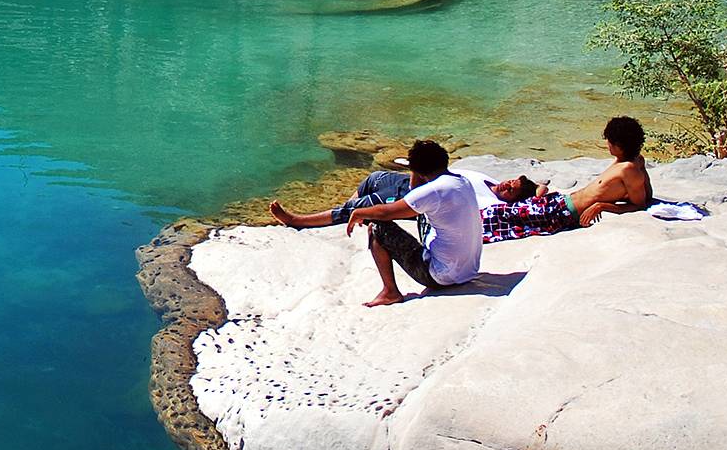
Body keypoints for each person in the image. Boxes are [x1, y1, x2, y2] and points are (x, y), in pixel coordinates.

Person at [344, 139, 484, 308]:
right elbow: (415, 193)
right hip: (468, 271)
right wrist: (416, 169)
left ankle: (390, 292)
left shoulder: (433, 191)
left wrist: (359, 212)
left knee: (377, 226)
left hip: (440, 276)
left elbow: (387, 212)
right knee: (425, 212)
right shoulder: (462, 181)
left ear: (416, 169)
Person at [480, 116, 653, 243]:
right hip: (559, 202)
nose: (607, 145)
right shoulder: (628, 161)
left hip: (561, 215)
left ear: (619, 146)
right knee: (503, 211)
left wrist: (601, 206)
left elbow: (641, 203)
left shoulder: (629, 169)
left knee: (500, 217)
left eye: (610, 142)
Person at [269, 166, 536, 229]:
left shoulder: (494, 205)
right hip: (413, 183)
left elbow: (539, 196)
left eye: (511, 189)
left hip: (418, 200)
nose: (505, 186)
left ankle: (298, 221)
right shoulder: (484, 179)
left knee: (362, 207)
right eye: (509, 181)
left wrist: (535, 193)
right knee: (374, 178)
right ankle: (351, 211)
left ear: (513, 199)